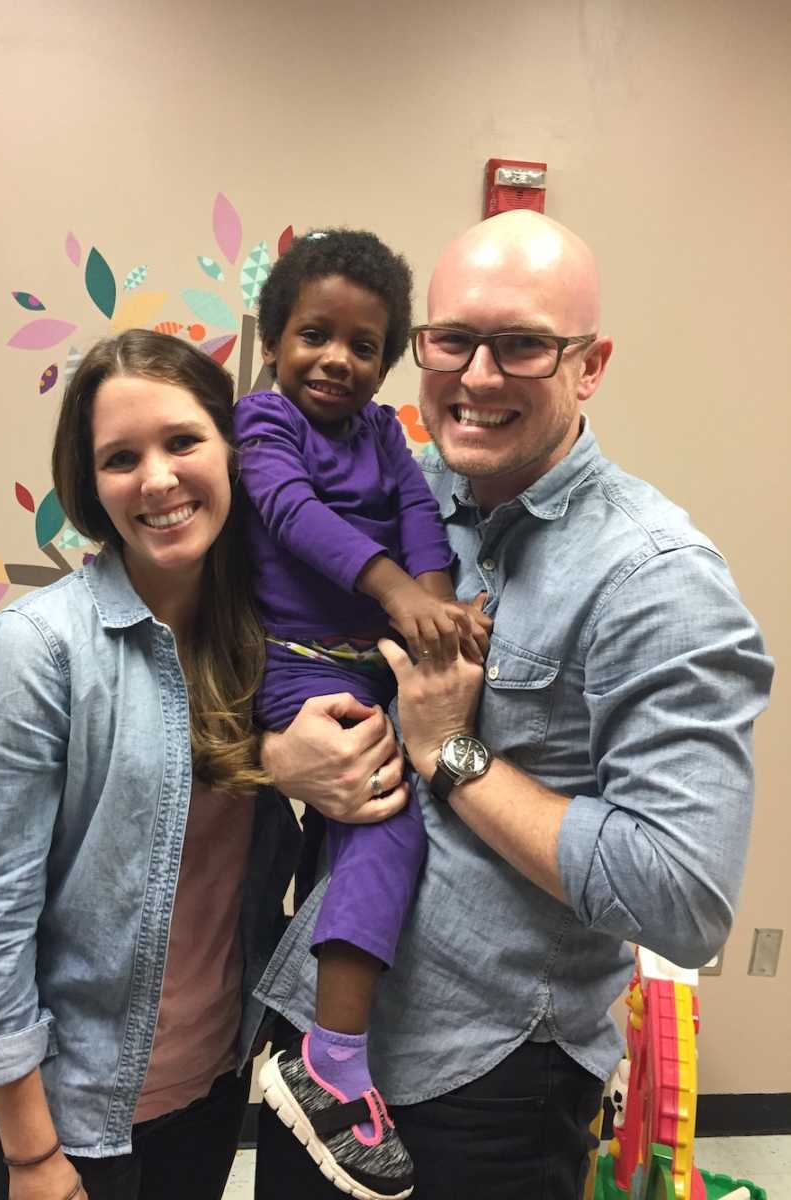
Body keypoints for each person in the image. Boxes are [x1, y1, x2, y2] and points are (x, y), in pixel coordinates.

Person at [250, 211, 774, 1200]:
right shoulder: (405, 490)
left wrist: (451, 755)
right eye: (453, 340)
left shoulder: (656, 581)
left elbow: (684, 900)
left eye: (523, 343)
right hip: (312, 1038)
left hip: (486, 1077)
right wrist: (282, 760)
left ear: (590, 364)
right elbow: (255, 630)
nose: (479, 376)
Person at [0, 330, 316, 1200]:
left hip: (211, 1085)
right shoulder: (36, 653)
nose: (157, 479)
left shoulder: (265, 643)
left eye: (183, 441)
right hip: (62, 1118)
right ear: (91, 485)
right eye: (119, 458)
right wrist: (31, 1154)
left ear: (233, 450)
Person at [234, 229, 488, 1200]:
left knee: (381, 841)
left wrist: (438, 605)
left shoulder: (385, 433)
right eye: (314, 335)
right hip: (298, 672)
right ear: (273, 341)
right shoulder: (261, 426)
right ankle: (330, 1059)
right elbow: (296, 515)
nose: (338, 358)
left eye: (364, 343)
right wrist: (398, 594)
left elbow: (422, 517)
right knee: (384, 816)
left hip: (369, 660)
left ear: (388, 357)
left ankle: (318, 1034)